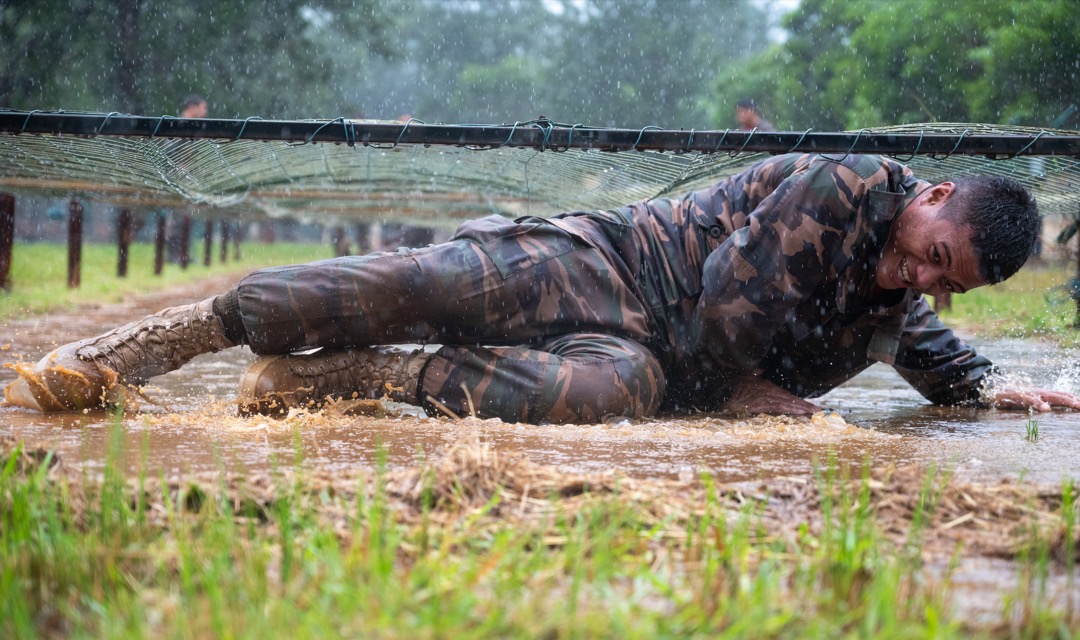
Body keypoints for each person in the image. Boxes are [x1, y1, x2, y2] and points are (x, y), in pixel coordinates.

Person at [7, 153, 1080, 422]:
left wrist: (989, 390)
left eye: (947, 281)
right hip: (607, 263)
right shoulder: (839, 190)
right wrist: (748, 392)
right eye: (931, 251)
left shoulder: (900, 299)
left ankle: (356, 380)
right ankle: (157, 344)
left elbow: (918, 338)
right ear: (931, 195)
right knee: (429, 277)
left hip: (649, 357)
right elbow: (725, 312)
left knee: (605, 396)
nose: (918, 275)